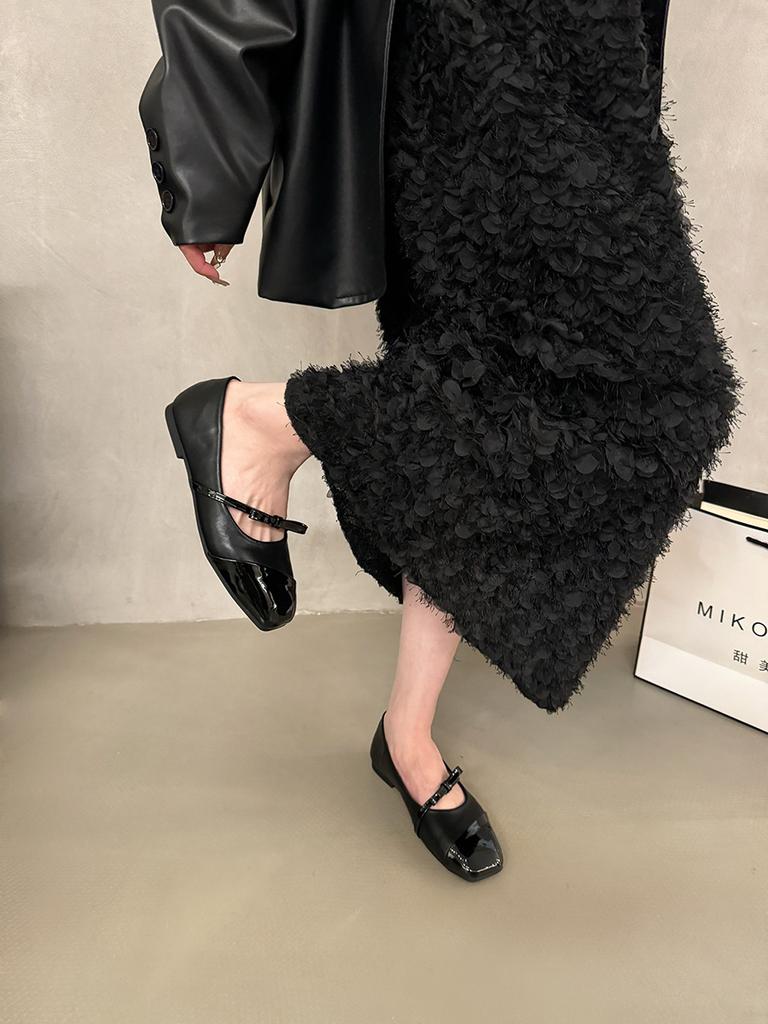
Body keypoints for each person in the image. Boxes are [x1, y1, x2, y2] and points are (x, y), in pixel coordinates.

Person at [141, 0, 741, 883]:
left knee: (483, 390)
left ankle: (405, 731)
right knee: (631, 392)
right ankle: (268, 423)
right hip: (472, 41)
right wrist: (208, 161)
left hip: (599, 48)